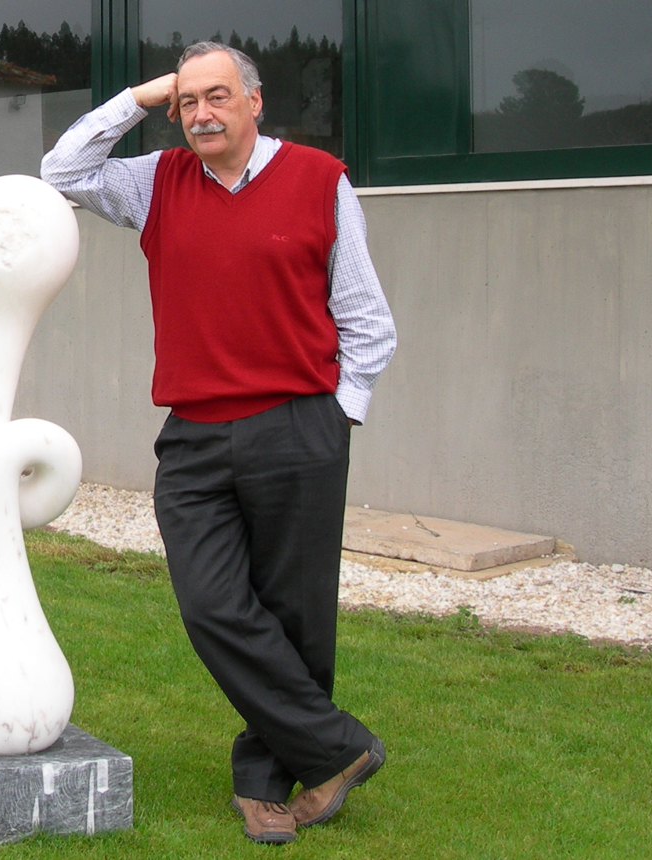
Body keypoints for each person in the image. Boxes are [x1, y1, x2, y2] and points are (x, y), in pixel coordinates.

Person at [41, 42, 396, 845]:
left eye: (218, 97)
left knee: (296, 615)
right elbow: (61, 172)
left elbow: (367, 317)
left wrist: (339, 414)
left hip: (299, 423)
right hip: (195, 433)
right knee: (210, 604)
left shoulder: (319, 181)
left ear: (255, 103)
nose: (202, 113)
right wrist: (142, 94)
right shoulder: (154, 183)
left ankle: (268, 784)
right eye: (189, 101)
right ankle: (340, 747)